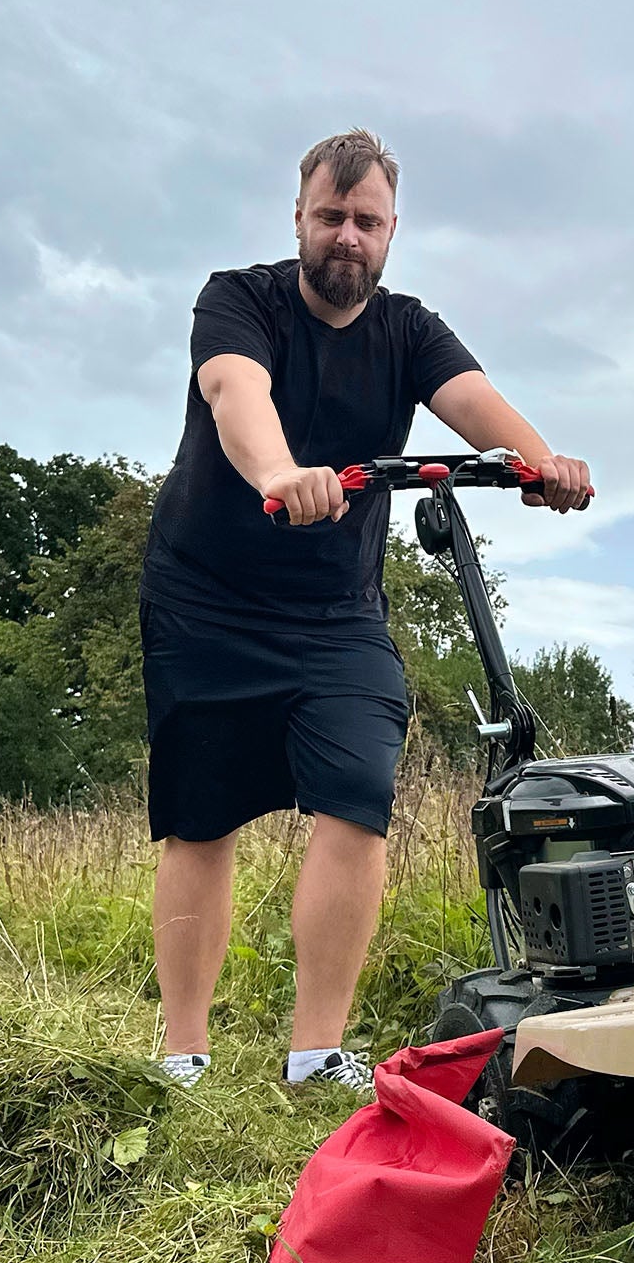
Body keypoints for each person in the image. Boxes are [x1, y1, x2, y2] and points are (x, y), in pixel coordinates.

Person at [140, 129, 591, 1092]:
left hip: (337, 610)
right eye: (331, 217)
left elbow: (475, 403)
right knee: (201, 815)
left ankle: (315, 1054)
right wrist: (278, 472)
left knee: (358, 795)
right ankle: (181, 1051)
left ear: (391, 233)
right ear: (299, 219)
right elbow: (235, 391)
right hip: (206, 598)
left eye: (368, 222)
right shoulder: (238, 300)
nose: (348, 236)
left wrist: (542, 463)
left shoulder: (408, 329)